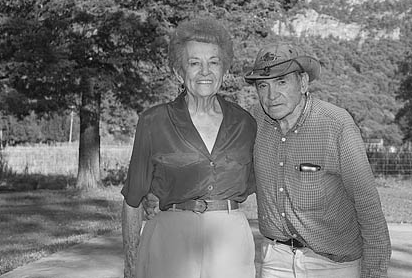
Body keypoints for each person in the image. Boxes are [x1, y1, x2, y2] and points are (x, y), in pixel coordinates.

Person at [121, 19, 257, 278]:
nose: (205, 71)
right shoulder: (153, 122)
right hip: (170, 240)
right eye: (194, 63)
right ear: (178, 73)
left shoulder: (245, 124)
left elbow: (266, 184)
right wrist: (130, 265)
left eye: (214, 62)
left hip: (230, 242)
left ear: (224, 71)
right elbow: (132, 199)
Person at [244, 43, 391, 278]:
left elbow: (366, 202)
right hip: (275, 259)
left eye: (282, 82)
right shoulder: (253, 122)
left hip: (332, 265)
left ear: (303, 83)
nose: (271, 96)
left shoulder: (336, 124)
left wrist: (375, 271)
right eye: (263, 85)